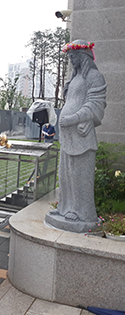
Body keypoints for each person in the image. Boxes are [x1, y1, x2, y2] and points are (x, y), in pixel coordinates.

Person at [48, 40, 107, 227]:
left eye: (74, 57)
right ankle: (65, 206)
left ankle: (81, 211)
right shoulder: (74, 78)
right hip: (68, 136)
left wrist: (74, 119)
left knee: (80, 175)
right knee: (65, 174)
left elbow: (96, 104)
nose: (71, 61)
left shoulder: (95, 76)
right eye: (70, 58)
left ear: (83, 56)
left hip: (82, 137)